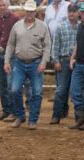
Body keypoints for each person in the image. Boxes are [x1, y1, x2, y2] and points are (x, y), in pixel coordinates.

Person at [4, 0, 51, 130]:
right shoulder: (17, 26)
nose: (29, 13)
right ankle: (20, 115)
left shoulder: (43, 27)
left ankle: (33, 120)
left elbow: (47, 46)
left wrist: (43, 62)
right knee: (14, 90)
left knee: (37, 92)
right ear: (25, 11)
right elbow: (10, 44)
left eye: (32, 11)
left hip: (36, 63)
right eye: (28, 11)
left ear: (35, 11)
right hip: (19, 63)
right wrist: (7, 61)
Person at [50, 3, 79, 124]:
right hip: (64, 60)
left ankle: (79, 117)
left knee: (77, 90)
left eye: (73, 11)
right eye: (69, 11)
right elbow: (55, 46)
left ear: (78, 13)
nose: (71, 13)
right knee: (61, 89)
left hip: (79, 61)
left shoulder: (82, 27)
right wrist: (56, 61)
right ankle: (56, 115)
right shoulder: (61, 27)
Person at [0, 0, 20, 122]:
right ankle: (6, 110)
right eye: (0, 5)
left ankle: (14, 112)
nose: (2, 7)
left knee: (10, 84)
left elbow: (20, 37)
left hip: (12, 55)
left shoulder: (15, 18)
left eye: (4, 5)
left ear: (8, 6)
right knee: (1, 84)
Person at [68, 1, 84, 130]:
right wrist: (72, 57)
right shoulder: (80, 26)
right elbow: (78, 43)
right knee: (75, 91)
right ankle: (81, 117)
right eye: (82, 11)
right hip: (79, 63)